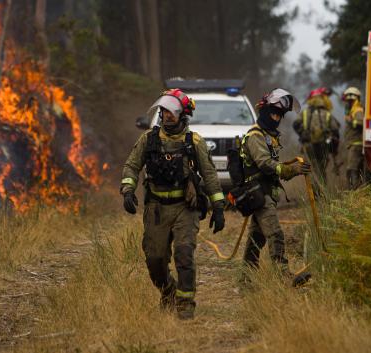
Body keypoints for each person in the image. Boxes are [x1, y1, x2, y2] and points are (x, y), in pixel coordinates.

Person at [120, 89, 225, 320]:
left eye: (173, 112)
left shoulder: (194, 141)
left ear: (183, 114)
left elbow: (210, 175)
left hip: (184, 208)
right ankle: (168, 292)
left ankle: (185, 305)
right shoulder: (148, 139)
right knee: (155, 260)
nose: (167, 115)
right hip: (156, 208)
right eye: (164, 111)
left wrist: (218, 207)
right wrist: (127, 190)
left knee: (184, 253)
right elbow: (131, 166)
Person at [240, 88, 311, 273]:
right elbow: (264, 163)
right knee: (275, 234)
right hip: (258, 193)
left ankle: (246, 278)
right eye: (273, 114)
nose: (276, 119)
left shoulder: (268, 136)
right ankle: (283, 275)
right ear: (264, 111)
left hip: (265, 192)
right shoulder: (255, 136)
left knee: (257, 237)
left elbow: (273, 163)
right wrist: (290, 170)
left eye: (279, 116)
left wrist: (293, 167)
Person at [293, 87, 340, 184]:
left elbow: (295, 124)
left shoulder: (305, 113)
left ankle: (316, 192)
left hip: (308, 145)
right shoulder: (327, 113)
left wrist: (302, 134)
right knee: (321, 168)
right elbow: (335, 130)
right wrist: (334, 147)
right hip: (323, 146)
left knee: (312, 169)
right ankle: (323, 192)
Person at [342, 86, 364, 188]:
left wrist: (349, 120)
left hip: (356, 145)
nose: (347, 103)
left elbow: (360, 123)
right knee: (353, 169)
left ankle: (355, 192)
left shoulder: (358, 110)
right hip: (353, 145)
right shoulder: (353, 110)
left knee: (352, 169)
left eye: (348, 100)